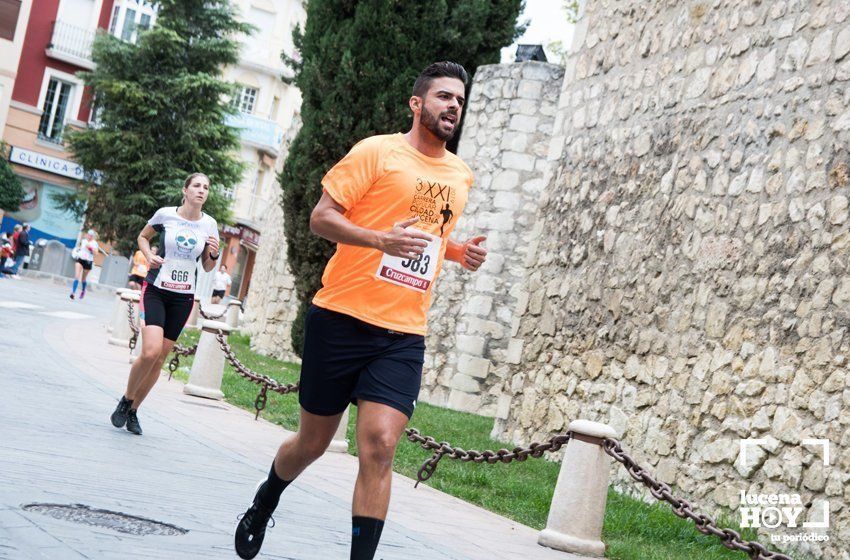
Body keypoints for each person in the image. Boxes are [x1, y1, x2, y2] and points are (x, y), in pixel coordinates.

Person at [233, 61, 488, 560]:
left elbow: (428, 237)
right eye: (443, 97)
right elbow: (321, 219)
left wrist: (458, 252)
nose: (453, 106)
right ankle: (265, 501)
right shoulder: (376, 152)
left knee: (380, 444)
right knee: (311, 443)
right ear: (417, 104)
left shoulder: (460, 175)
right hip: (341, 318)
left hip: (402, 331)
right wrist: (379, 241)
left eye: (459, 99)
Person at [109, 173, 220, 436]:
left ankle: (134, 411)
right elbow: (143, 237)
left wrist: (214, 254)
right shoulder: (166, 214)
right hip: (157, 290)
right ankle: (126, 399)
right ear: (185, 190)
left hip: (183, 297)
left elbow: (206, 266)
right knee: (149, 351)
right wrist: (149, 256)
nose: (201, 191)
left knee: (159, 359)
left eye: (206, 187)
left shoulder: (209, 225)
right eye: (196, 186)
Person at [69, 229, 103, 300]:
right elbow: (79, 248)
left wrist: (90, 248)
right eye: (88, 235)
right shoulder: (84, 241)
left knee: (83, 279)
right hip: (80, 259)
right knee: (76, 276)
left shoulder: (94, 243)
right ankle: (73, 292)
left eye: (91, 236)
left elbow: (96, 253)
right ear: (87, 235)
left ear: (93, 236)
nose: (89, 237)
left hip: (88, 261)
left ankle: (83, 290)